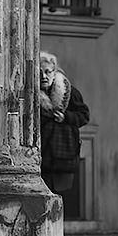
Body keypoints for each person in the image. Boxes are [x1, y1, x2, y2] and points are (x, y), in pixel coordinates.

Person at [37, 51, 90, 209]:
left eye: (47, 72)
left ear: (55, 72)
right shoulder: (31, 95)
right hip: (42, 154)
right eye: (39, 72)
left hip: (64, 152)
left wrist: (66, 117)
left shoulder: (69, 92)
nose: (44, 76)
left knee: (61, 196)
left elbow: (84, 116)